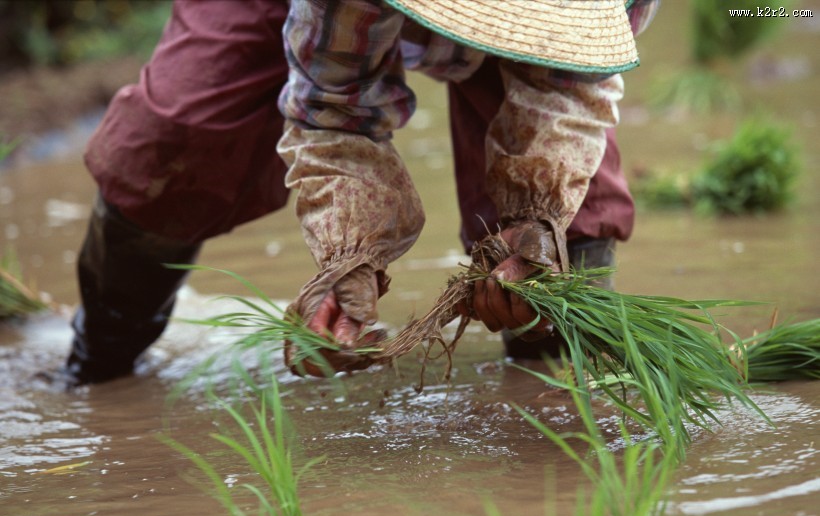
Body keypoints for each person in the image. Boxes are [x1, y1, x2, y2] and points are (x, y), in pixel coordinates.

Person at [63, 0, 659, 386]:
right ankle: (97, 366)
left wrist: (537, 222)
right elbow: (334, 107)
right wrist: (349, 257)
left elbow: (568, 95)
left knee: (570, 237)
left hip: (539, 34)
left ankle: (553, 401)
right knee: (176, 142)